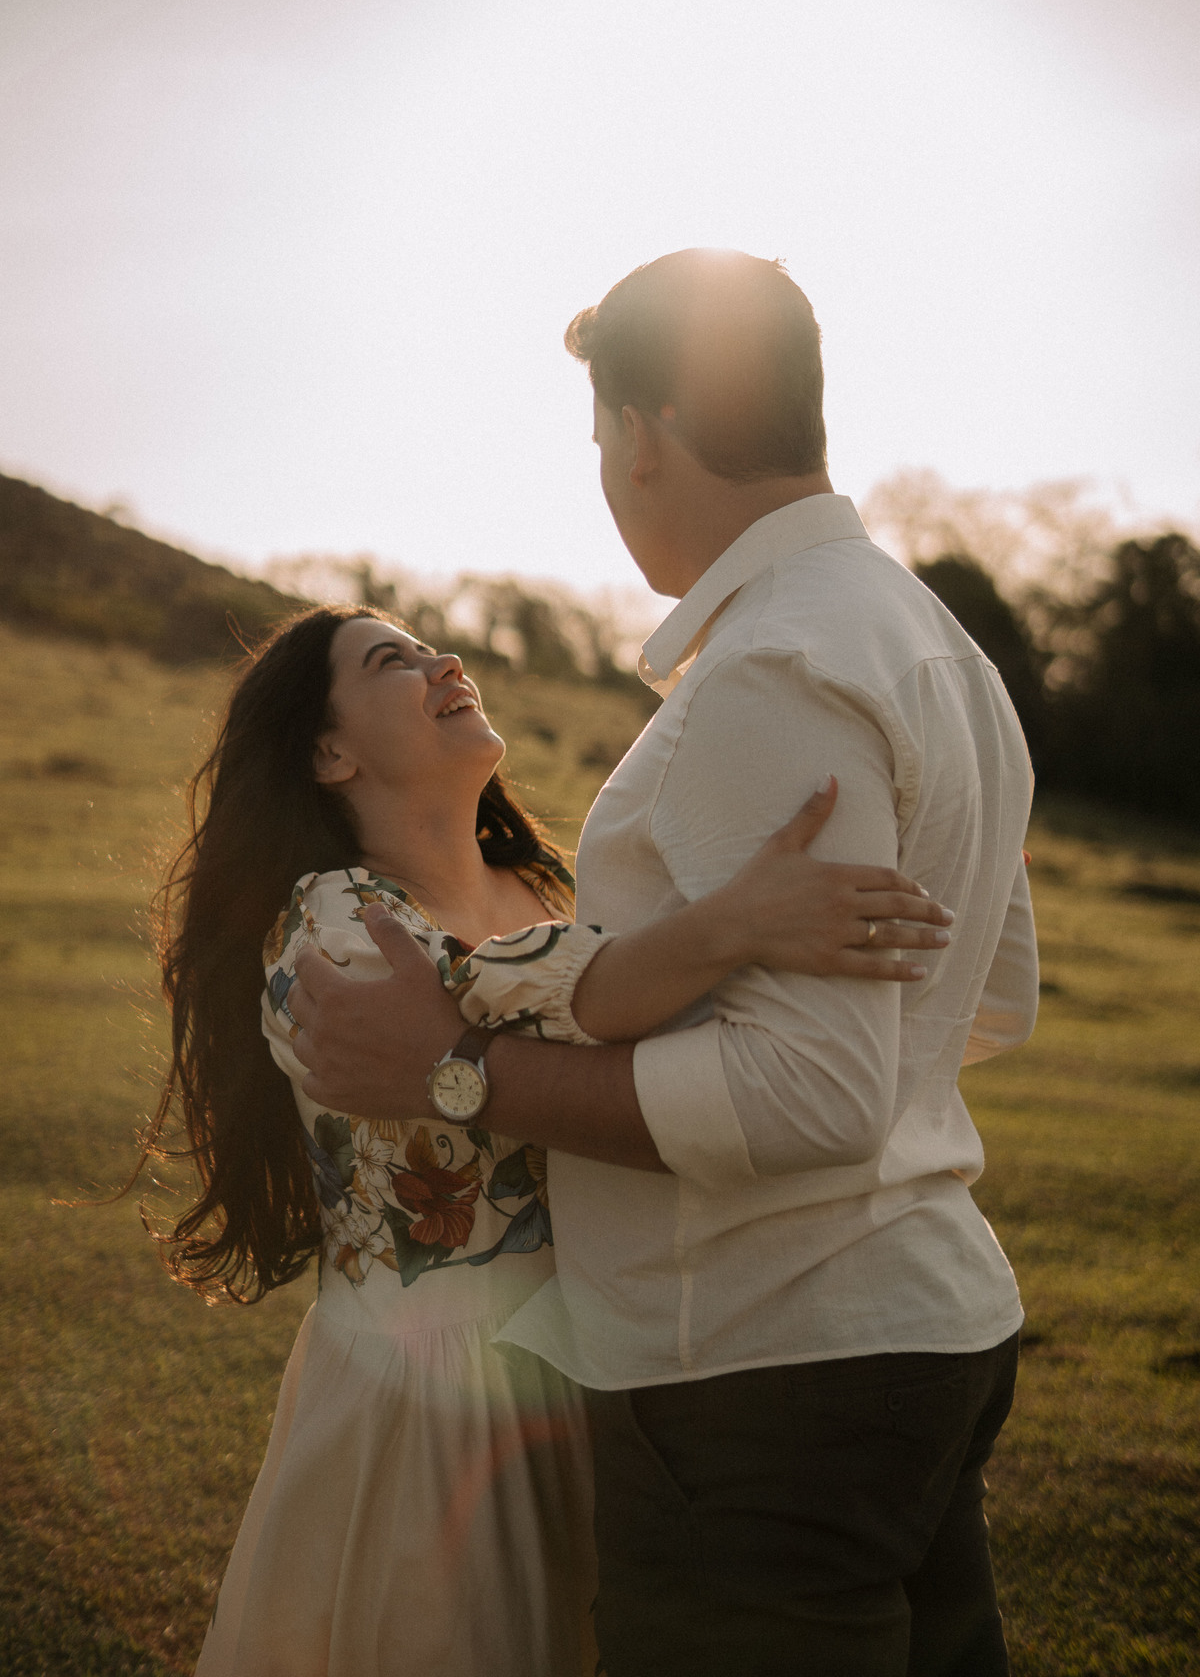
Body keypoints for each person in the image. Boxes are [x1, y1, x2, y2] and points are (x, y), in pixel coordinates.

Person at [290, 250, 1041, 1677]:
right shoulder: (935, 645)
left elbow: (813, 1093)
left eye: (598, 439)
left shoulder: (770, 671)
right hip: (918, 1333)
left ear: (644, 432)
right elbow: (989, 997)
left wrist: (459, 1073)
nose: (606, 475)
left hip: (763, 1370)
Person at [145, 599, 954, 1677]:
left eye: (432, 645)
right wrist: (737, 920)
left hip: (594, 1370)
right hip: (431, 1399)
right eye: (392, 661)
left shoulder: (544, 890)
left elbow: (618, 1019)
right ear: (331, 753)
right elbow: (537, 1000)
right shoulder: (332, 919)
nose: (445, 661)